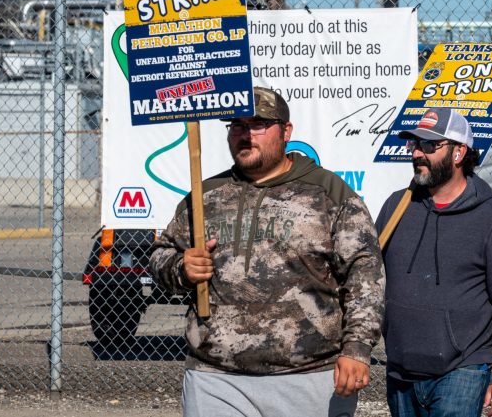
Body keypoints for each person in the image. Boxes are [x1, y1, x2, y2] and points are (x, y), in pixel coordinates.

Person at [149, 86, 385, 417]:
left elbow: (365, 276)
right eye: (237, 125)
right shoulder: (206, 197)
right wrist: (181, 268)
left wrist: (357, 348)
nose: (245, 135)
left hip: (309, 376)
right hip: (216, 377)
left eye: (258, 124)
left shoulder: (328, 193)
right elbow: (162, 256)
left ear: (286, 131)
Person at [376, 107, 492, 417]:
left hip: (462, 369)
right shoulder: (396, 207)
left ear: (459, 153)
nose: (418, 153)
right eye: (414, 144)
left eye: (429, 145)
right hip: (401, 367)